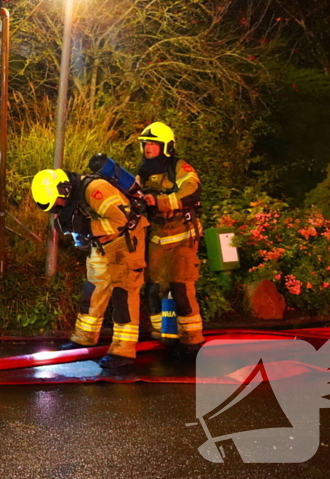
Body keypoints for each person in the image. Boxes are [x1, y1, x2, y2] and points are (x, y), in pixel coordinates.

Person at [31, 156, 149, 369]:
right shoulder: (72, 196)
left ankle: (123, 351)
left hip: (126, 244)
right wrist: (82, 232)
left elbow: (120, 221)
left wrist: (86, 227)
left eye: (57, 202)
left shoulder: (97, 190)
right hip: (102, 244)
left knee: (123, 295)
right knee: (92, 290)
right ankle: (83, 338)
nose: (58, 206)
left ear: (64, 189)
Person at [135, 122, 204, 353]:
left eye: (153, 144)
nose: (148, 148)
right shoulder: (143, 172)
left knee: (180, 287)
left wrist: (161, 201)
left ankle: (192, 340)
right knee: (154, 287)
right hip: (157, 236)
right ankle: (165, 333)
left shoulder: (179, 167)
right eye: (146, 144)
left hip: (182, 234)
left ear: (166, 146)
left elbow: (192, 190)